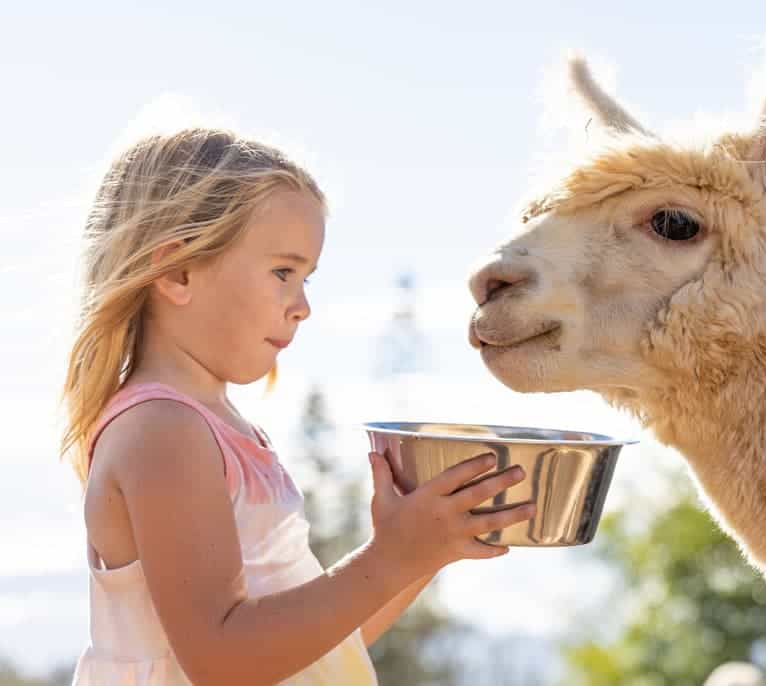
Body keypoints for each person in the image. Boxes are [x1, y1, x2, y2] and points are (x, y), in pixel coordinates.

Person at [60, 127, 535, 684]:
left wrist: (421, 552)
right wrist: (388, 562)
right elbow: (223, 659)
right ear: (177, 270)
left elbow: (316, 646)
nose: (303, 306)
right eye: (283, 272)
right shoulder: (161, 432)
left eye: (307, 277)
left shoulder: (223, 430)